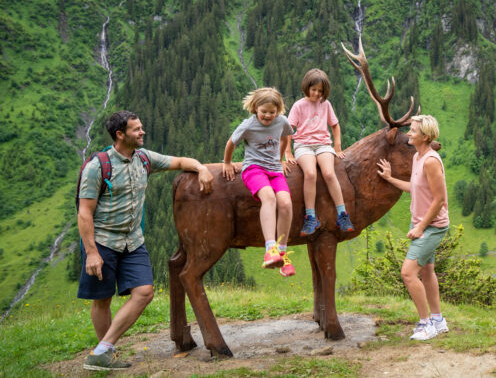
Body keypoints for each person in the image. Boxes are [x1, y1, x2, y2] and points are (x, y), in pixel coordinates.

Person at [77, 110, 213, 371]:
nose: (142, 132)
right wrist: (92, 252)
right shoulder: (98, 165)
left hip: (133, 242)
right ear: (120, 134)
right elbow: (84, 212)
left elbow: (179, 161)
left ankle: (102, 350)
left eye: (141, 128)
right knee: (102, 299)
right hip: (103, 241)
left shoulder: (145, 158)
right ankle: (105, 353)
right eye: (136, 129)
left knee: (145, 293)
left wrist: (201, 168)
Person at [377, 114, 450, 341]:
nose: (409, 133)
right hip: (421, 223)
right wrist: (390, 179)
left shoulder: (430, 160)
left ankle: (425, 323)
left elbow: (439, 200)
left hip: (432, 226)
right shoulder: (418, 157)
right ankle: (438, 321)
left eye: (414, 131)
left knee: (408, 273)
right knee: (427, 271)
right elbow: (415, 187)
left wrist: (420, 228)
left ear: (425, 136)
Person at [223, 87, 296, 276]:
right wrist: (228, 163)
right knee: (269, 198)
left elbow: (286, 137)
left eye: (272, 112)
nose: (268, 116)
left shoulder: (281, 122)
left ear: (278, 111)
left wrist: (280, 159)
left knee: (286, 204)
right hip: (254, 169)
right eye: (264, 112)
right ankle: (269, 249)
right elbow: (231, 143)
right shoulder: (248, 125)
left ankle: (282, 252)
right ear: (256, 108)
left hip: (274, 170)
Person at [285, 68, 354, 235]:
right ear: (307, 87)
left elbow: (335, 125)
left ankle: (342, 214)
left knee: (329, 173)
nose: (316, 94)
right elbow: (288, 129)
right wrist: (288, 152)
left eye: (320, 91)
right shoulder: (299, 105)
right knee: (310, 174)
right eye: (313, 89)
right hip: (303, 145)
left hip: (323, 144)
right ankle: (310, 217)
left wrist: (337, 146)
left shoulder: (326, 104)